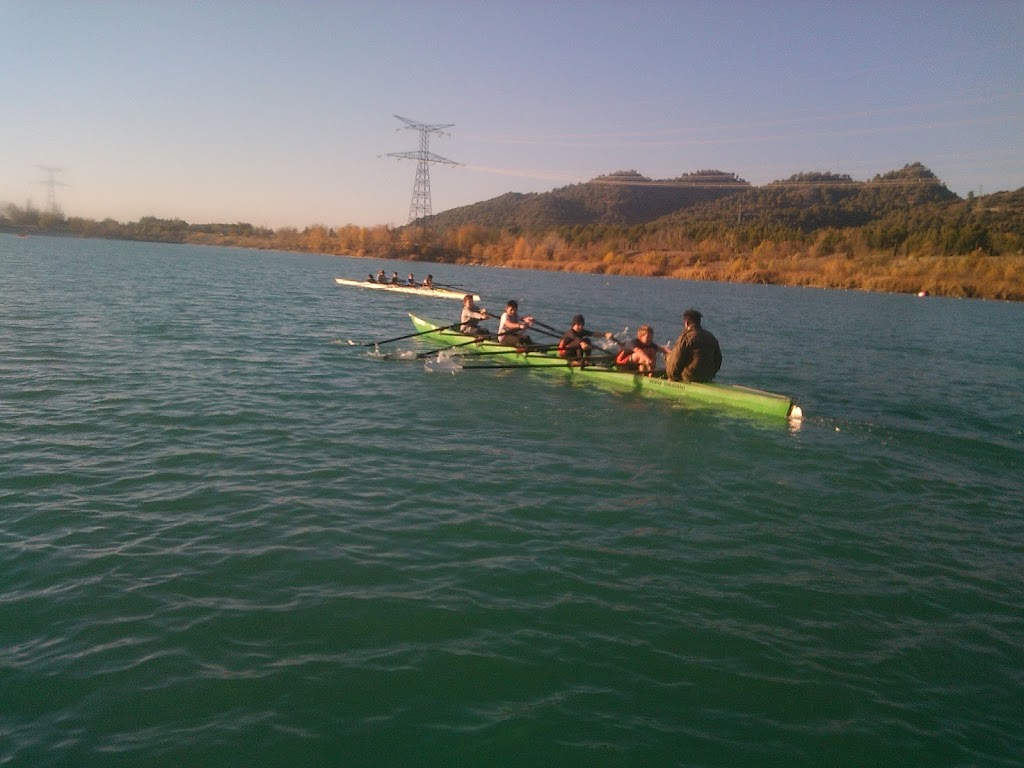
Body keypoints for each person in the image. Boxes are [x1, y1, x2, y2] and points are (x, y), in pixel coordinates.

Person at [666, 309, 722, 382]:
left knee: (669, 357)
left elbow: (677, 358)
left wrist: (672, 376)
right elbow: (718, 359)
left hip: (690, 376)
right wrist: (711, 373)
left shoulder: (686, 337)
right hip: (708, 376)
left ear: (686, 323)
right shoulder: (711, 337)